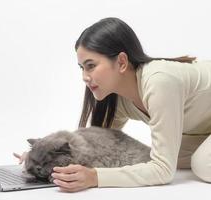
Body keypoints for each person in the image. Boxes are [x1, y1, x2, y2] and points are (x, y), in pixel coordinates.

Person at [14, 17, 211, 192]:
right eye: (82, 68)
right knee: (172, 157)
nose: (84, 76)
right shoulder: (117, 98)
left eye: (91, 66)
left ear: (122, 62)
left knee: (202, 164)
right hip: (203, 127)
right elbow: (96, 147)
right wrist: (38, 157)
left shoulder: (159, 82)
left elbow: (163, 171)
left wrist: (95, 178)